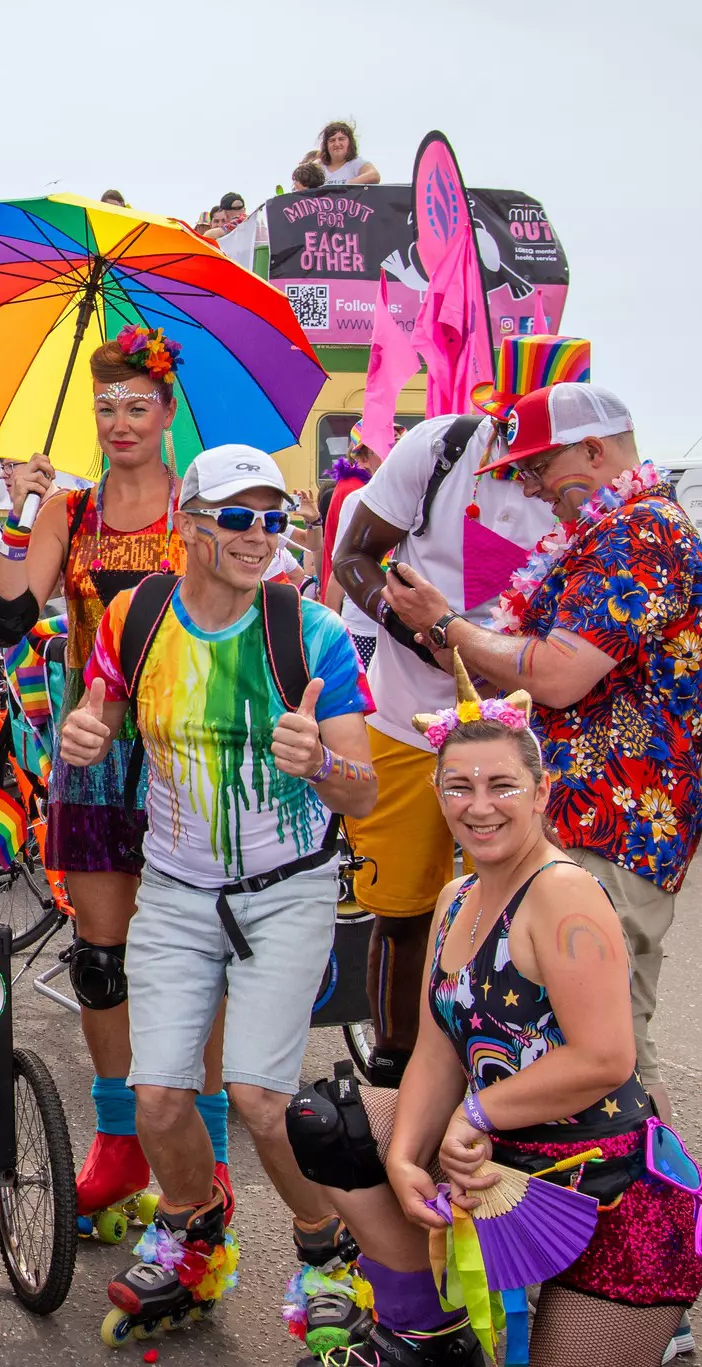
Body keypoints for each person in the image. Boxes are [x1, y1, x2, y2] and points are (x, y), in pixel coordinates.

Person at [285, 672, 702, 1367]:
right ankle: (427, 1339)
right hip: (499, 1163)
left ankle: (659, 1332)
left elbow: (606, 1057)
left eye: (502, 785)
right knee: (327, 1121)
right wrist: (402, 1153)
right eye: (459, 787)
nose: (479, 806)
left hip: (608, 1198)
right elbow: (437, 1053)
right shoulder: (455, 897)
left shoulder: (564, 896)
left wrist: (475, 1115)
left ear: (541, 793)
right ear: (437, 792)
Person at [61, 445, 377, 1340]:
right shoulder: (137, 614)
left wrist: (322, 762)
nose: (259, 536)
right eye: (238, 518)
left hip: (285, 891)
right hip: (175, 888)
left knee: (259, 1099)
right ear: (190, 526)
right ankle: (195, 1235)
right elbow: (104, 707)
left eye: (273, 519)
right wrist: (89, 728)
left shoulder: (307, 630)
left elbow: (364, 790)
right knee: (158, 1096)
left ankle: (326, 1251)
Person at [0, 326, 237, 1240]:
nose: (119, 421)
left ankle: (205, 1161)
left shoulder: (203, 510)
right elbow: (8, 621)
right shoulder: (70, 513)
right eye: (106, 408)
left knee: (195, 959)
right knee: (101, 959)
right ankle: (121, 1143)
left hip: (186, 754)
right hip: (91, 755)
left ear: (168, 414)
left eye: (137, 405)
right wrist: (12, 519)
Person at [379, 383, 700, 1127]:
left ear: (594, 450)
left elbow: (555, 675)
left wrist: (448, 624)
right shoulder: (611, 528)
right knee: (548, 1034)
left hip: (613, 822)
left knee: (602, 1046)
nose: (530, 486)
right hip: (579, 819)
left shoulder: (642, 531)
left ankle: (650, 1222)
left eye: (538, 466)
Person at [332, 403, 557, 1088]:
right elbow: (351, 556)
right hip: (404, 721)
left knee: (529, 905)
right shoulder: (441, 449)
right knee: (404, 913)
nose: (535, 475)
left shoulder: (584, 490)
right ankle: (397, 1073)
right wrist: (404, 628)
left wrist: (464, 635)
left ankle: (516, 1078)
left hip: (525, 731)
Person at [319, 435, 384, 666]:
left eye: (400, 443)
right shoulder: (356, 500)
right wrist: (330, 633)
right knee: (361, 700)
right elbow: (340, 567)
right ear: (365, 459)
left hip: (407, 630)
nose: (395, 449)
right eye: (386, 444)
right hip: (362, 627)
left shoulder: (420, 500)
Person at [312, 122, 379, 185]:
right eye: (332, 140)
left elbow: (374, 176)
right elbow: (301, 183)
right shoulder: (318, 166)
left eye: (341, 139)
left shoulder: (357, 163)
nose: (337, 144)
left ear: (350, 142)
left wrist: (343, 186)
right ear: (326, 145)